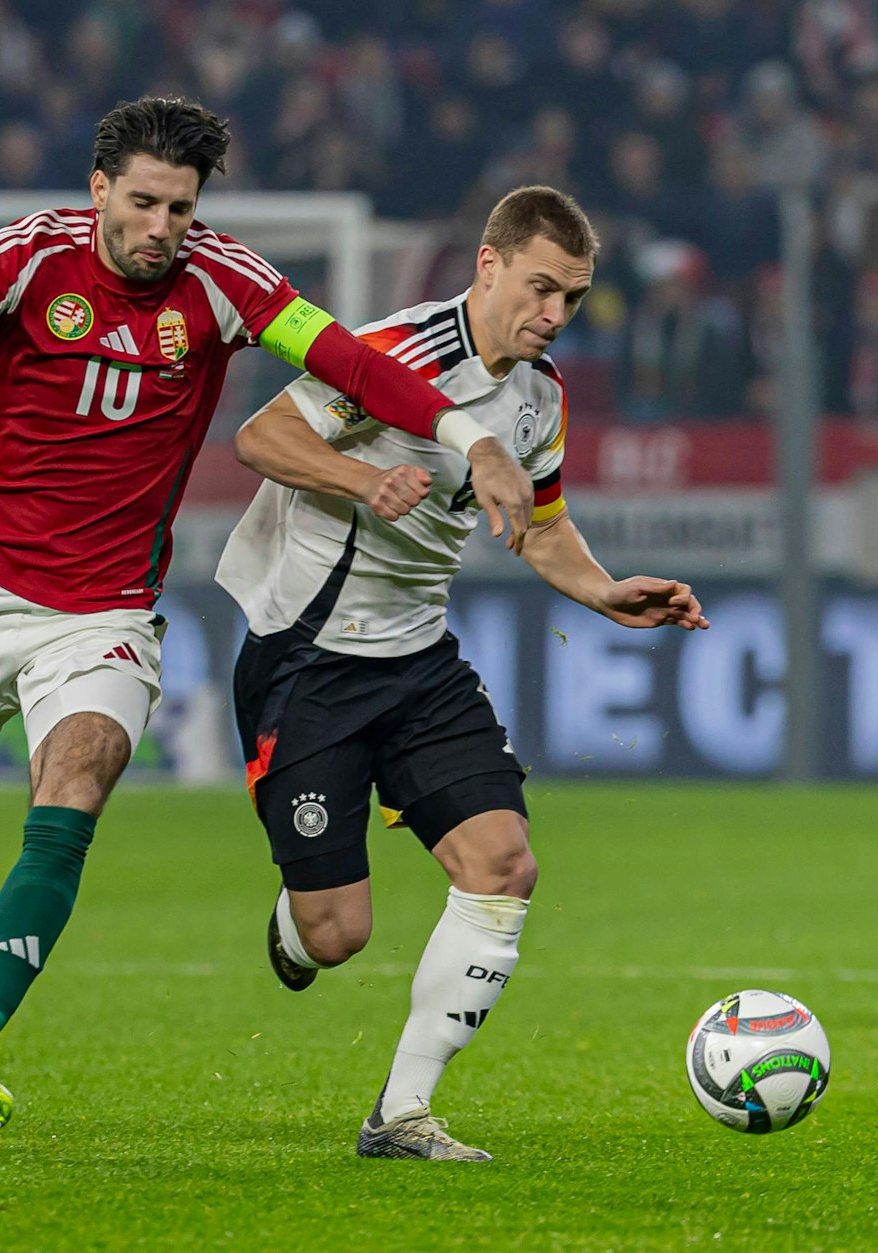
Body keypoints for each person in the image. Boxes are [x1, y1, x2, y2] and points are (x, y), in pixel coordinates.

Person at [0, 97, 534, 1142]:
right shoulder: (30, 256)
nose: (162, 227)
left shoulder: (227, 283)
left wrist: (467, 435)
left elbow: (346, 360)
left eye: (182, 207)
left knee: (77, 777)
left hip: (105, 606)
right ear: (101, 187)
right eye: (146, 202)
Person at [215, 186, 708, 1162]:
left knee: (503, 861)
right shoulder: (392, 353)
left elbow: (544, 525)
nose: (553, 314)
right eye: (538, 288)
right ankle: (295, 918)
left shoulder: (539, 395)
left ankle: (399, 1114)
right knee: (335, 931)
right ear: (486, 266)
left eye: (570, 295)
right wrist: (364, 478)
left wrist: (605, 593)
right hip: (305, 658)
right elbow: (258, 435)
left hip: (418, 661)